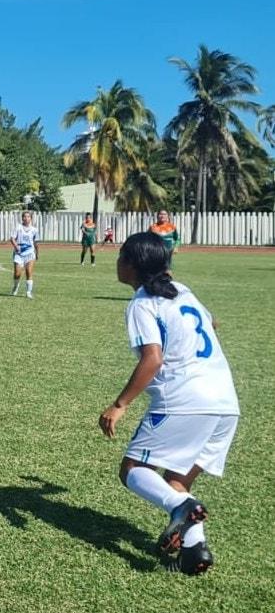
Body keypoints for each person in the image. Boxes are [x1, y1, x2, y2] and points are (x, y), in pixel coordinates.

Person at [99, 231, 238, 575]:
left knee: (133, 471)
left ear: (132, 266)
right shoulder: (184, 292)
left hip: (184, 400)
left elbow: (153, 359)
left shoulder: (143, 303)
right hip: (225, 403)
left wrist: (120, 404)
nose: (117, 262)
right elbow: (213, 324)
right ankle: (195, 552)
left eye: (121, 257)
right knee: (177, 480)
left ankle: (183, 508)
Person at [10, 210, 39, 298]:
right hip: (19, 254)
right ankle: (15, 287)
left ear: (31, 218)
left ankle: (28, 292)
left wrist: (37, 253)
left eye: (28, 217)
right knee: (17, 273)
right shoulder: (18, 227)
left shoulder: (34, 230)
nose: (26, 218)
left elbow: (35, 243)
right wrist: (16, 247)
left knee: (28, 272)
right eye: (24, 217)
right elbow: (12, 238)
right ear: (22, 218)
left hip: (30, 253)